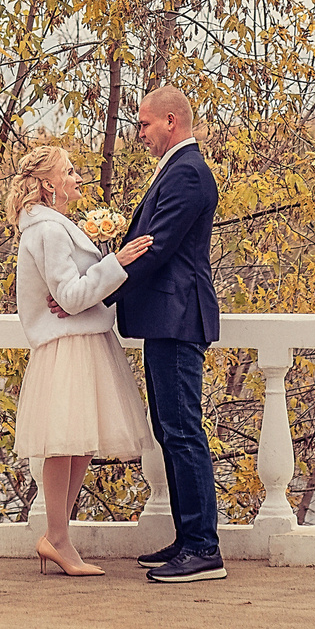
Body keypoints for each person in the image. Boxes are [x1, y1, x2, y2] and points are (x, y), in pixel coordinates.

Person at [89, 85, 225, 583]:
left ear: (172, 121)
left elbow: (156, 246)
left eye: (145, 124)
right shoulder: (179, 169)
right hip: (166, 318)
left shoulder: (188, 172)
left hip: (179, 318)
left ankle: (205, 549)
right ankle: (189, 540)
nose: (139, 132)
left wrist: (96, 291)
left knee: (184, 430)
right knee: (171, 430)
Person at [7, 144, 154, 577]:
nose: (77, 178)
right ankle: (57, 538)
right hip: (68, 345)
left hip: (82, 341)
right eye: (69, 172)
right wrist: (116, 263)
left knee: (79, 446)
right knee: (63, 445)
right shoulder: (49, 230)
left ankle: (58, 536)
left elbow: (72, 292)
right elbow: (70, 298)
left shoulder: (54, 225)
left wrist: (99, 273)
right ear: (49, 183)